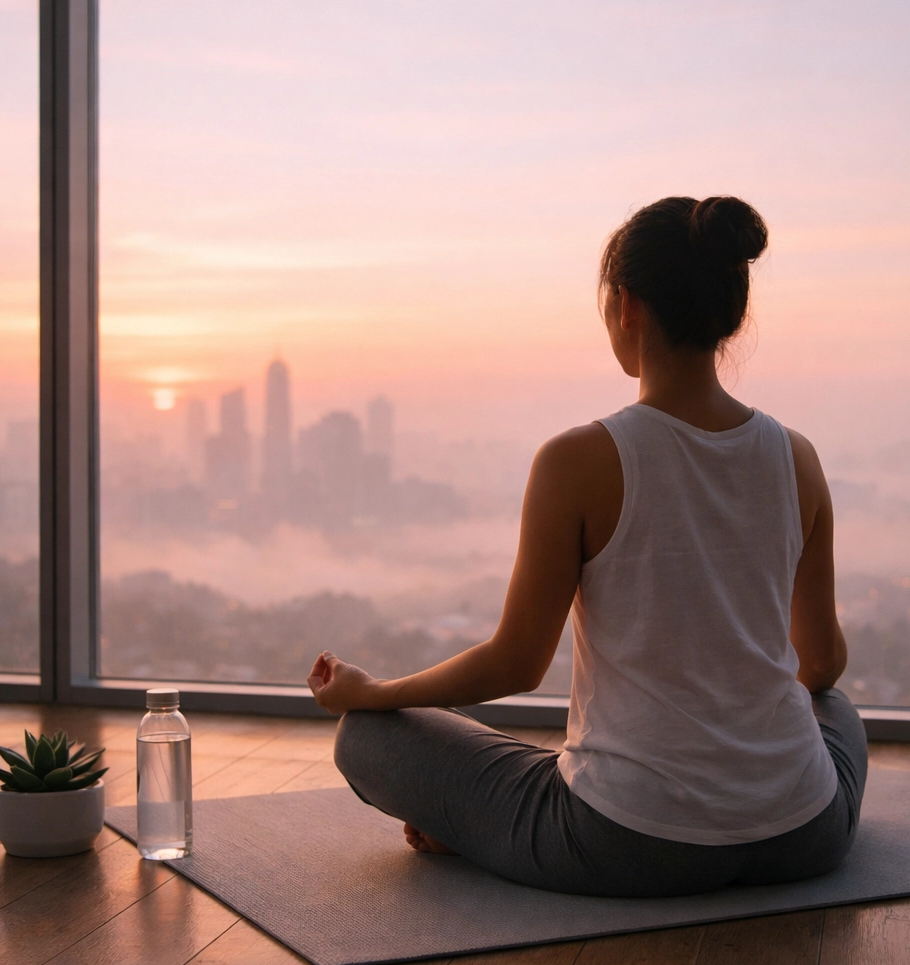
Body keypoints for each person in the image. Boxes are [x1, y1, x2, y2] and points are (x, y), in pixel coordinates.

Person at [306, 195, 867, 898]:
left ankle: (477, 827)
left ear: (627, 305)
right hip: (804, 834)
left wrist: (375, 691)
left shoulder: (577, 459)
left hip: (628, 845)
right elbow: (822, 664)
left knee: (365, 738)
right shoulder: (798, 458)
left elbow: (516, 663)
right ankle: (493, 821)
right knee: (837, 713)